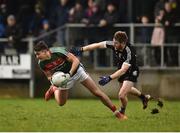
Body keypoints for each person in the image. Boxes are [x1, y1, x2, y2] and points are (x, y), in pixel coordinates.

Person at [34, 41, 125, 120]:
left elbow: (76, 60)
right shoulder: (41, 63)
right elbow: (49, 76)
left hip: (77, 71)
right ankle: (54, 89)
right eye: (36, 55)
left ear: (45, 51)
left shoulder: (58, 51)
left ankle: (117, 113)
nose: (37, 57)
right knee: (61, 103)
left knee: (97, 92)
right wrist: (54, 82)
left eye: (38, 54)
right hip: (63, 78)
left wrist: (69, 74)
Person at [71, 31, 151, 119]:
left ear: (123, 43)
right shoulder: (113, 44)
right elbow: (97, 45)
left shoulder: (129, 52)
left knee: (121, 95)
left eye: (116, 43)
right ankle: (144, 97)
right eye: (113, 42)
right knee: (126, 89)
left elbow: (123, 70)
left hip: (131, 71)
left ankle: (122, 111)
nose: (114, 44)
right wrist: (81, 49)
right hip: (121, 68)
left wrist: (109, 78)